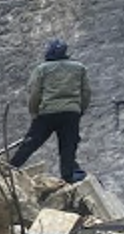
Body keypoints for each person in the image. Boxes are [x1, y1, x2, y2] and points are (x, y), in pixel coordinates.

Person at [10, 39, 92, 184]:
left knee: (30, 143)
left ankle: (10, 168)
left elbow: (34, 93)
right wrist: (79, 110)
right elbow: (86, 92)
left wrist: (34, 112)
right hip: (70, 112)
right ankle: (68, 176)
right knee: (68, 146)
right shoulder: (79, 68)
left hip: (47, 113)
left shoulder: (42, 69)